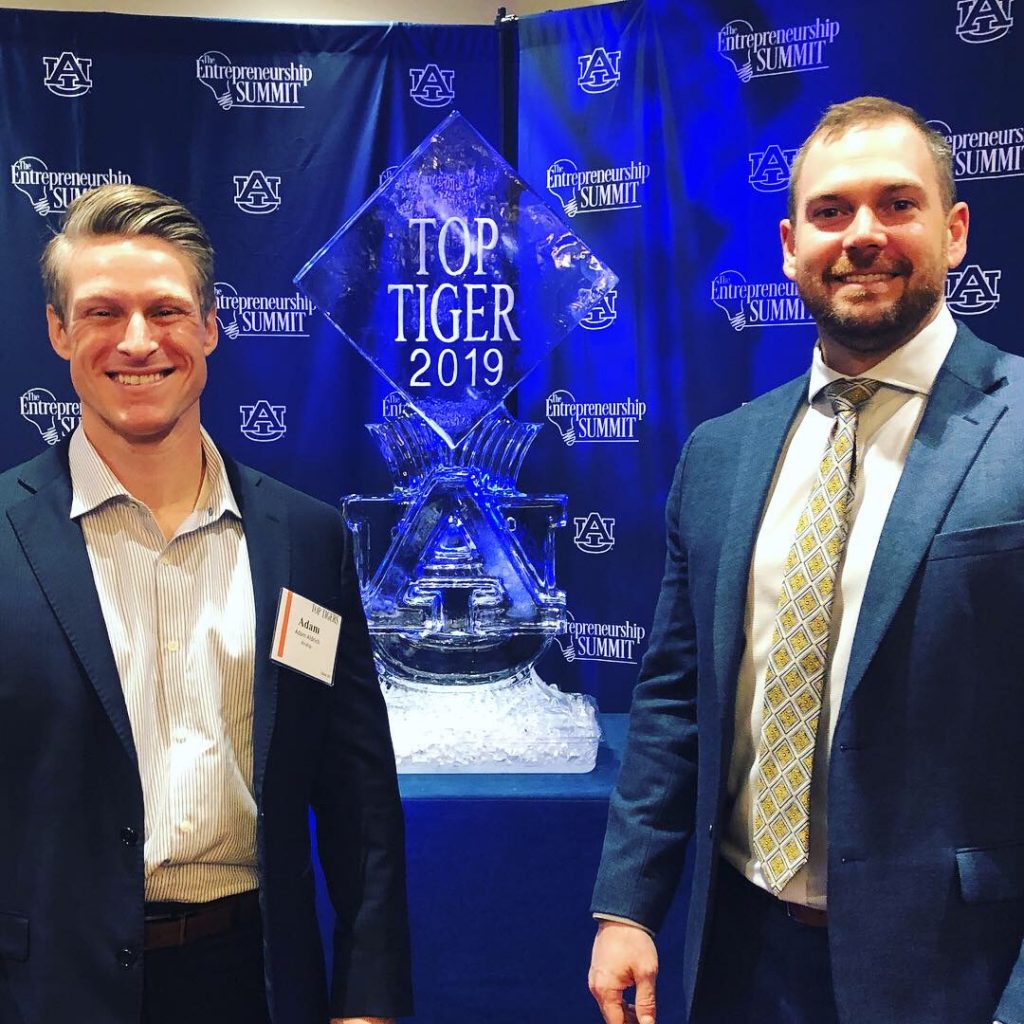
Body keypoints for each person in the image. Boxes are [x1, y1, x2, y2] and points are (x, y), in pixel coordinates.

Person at [588, 95, 1024, 1024]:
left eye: (896, 204)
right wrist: (627, 905)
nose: (862, 234)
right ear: (791, 245)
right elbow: (672, 697)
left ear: (953, 232)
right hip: (737, 955)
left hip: (958, 970)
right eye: (832, 212)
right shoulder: (720, 452)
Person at [0, 184, 412, 1024]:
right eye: (102, 312)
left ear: (211, 326)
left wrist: (366, 1000)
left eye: (166, 309)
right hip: (50, 989)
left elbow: (357, 798)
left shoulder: (308, 540)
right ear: (58, 332)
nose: (138, 341)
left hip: (255, 982)